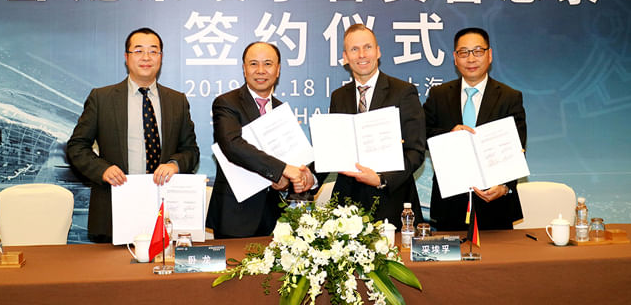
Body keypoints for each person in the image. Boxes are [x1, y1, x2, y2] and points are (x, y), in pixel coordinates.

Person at [67, 27, 200, 242]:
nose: (146, 57)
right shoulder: (102, 98)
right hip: (114, 206)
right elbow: (77, 147)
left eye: (153, 51)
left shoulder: (177, 101)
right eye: (138, 51)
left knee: (164, 264)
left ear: (161, 57)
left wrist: (175, 164)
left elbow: (190, 150)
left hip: (165, 208)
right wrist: (103, 169)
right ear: (126, 57)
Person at [206, 42, 316, 238]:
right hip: (234, 216)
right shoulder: (226, 103)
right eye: (253, 64)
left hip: (273, 218)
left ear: (278, 69)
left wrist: (291, 180)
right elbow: (232, 146)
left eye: (268, 64)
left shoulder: (281, 110)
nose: (261, 71)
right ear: (244, 69)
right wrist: (282, 169)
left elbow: (289, 161)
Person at [423, 27, 527, 230]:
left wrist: (504, 187)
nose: (471, 59)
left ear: (490, 55)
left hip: (495, 203)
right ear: (455, 58)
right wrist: (449, 136)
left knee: (500, 252)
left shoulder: (509, 97)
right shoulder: (438, 95)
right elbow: (420, 134)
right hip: (449, 204)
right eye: (464, 52)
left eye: (478, 51)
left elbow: (518, 148)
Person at [326, 24, 426, 226]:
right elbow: (334, 149)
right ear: (345, 57)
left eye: (367, 47)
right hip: (347, 205)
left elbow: (415, 150)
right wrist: (307, 177)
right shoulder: (339, 96)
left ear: (378, 51)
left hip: (392, 201)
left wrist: (381, 179)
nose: (362, 55)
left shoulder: (403, 91)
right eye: (354, 49)